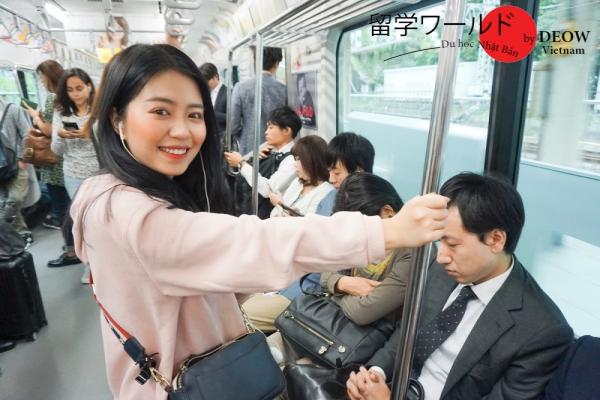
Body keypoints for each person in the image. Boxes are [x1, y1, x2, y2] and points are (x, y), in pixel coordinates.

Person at [69, 44, 449, 400]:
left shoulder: (108, 195)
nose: (183, 131)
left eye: (195, 114)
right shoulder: (129, 215)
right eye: (161, 111)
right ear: (117, 116)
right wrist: (387, 231)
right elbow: (253, 241)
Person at [346, 172, 574, 400]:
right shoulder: (445, 271)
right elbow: (407, 333)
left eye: (452, 244)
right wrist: (373, 373)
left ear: (495, 240)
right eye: (440, 241)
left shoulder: (542, 331)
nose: (441, 256)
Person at [245, 172, 410, 333]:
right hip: (331, 323)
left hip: (361, 339)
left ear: (388, 212)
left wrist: (335, 291)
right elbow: (325, 274)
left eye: (336, 171)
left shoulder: (410, 255)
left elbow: (363, 312)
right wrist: (342, 284)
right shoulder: (360, 235)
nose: (331, 178)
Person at [49, 68, 99, 285]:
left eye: (79, 88)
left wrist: (90, 134)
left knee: (101, 219)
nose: (75, 94)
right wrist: (61, 134)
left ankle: (107, 262)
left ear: (89, 86)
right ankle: (89, 266)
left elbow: (112, 141)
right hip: (73, 175)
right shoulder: (61, 113)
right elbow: (56, 150)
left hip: (100, 172)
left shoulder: (100, 109)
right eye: (70, 90)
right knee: (82, 222)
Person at [224, 106, 300, 218]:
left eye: (271, 127)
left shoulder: (292, 160)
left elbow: (267, 189)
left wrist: (242, 164)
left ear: (286, 130)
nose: (266, 132)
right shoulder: (269, 150)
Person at [21, 60, 70, 230]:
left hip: (55, 162)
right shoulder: (68, 96)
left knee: (62, 208)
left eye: (42, 77)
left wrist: (35, 116)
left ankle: (71, 251)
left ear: (49, 76)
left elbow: (49, 130)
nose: (41, 81)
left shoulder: (52, 98)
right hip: (68, 159)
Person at [230, 47, 286, 155]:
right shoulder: (284, 90)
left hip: (248, 149)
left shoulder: (240, 87)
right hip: (275, 149)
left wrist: (246, 136)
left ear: (256, 61)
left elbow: (234, 125)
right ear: (276, 64)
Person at [268, 135, 333, 217]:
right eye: (295, 159)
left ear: (311, 161)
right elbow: (273, 215)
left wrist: (279, 204)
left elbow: (306, 225)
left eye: (299, 159)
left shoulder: (326, 191)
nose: (295, 164)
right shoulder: (298, 182)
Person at [315, 132, 375, 217]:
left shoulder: (375, 206)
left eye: (337, 173)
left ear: (358, 172)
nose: (331, 179)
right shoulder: (330, 197)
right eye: (329, 171)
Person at [0, 98, 33, 248]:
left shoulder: (11, 109)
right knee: (4, 202)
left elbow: (27, 134)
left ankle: (6, 228)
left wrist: (23, 159)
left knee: (15, 198)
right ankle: (22, 234)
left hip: (15, 163)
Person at [199, 63, 227, 134]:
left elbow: (232, 117)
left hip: (220, 135)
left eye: (207, 80)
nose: (206, 84)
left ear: (216, 76)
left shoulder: (228, 93)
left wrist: (211, 114)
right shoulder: (203, 93)